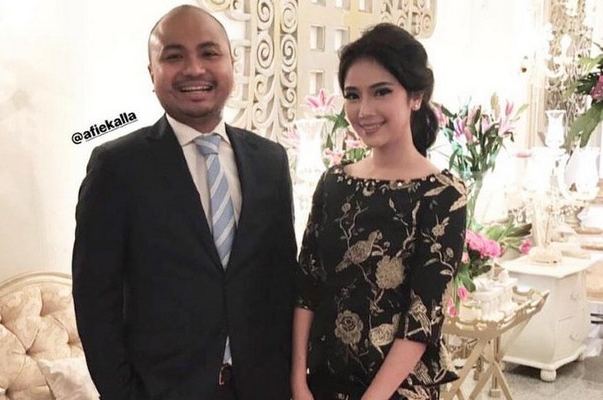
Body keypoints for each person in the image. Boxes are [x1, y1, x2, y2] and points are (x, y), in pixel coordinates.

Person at [72, 5, 297, 400]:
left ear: (232, 64)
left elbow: (281, 280)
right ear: (152, 73)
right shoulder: (117, 167)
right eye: (174, 56)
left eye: (209, 53)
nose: (194, 69)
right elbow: (95, 300)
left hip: (262, 387)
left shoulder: (270, 161)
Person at [291, 23, 467, 400]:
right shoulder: (334, 182)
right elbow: (307, 285)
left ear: (415, 96)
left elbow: (422, 318)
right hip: (322, 383)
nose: (364, 110)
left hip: (398, 390)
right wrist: (298, 382)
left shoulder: (442, 195)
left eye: (381, 92)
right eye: (353, 95)